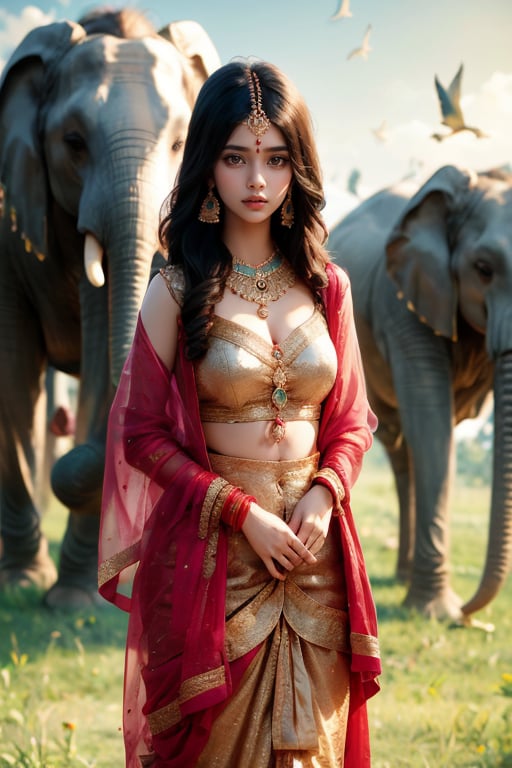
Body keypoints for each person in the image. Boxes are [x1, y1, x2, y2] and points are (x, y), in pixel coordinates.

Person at [98, 59, 381, 768]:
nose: (258, 181)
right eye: (236, 158)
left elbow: (351, 421)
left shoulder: (328, 288)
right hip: (213, 564)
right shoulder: (176, 287)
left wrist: (325, 491)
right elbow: (141, 434)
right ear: (208, 165)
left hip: (315, 562)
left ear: (297, 168)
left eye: (276, 159)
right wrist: (241, 512)